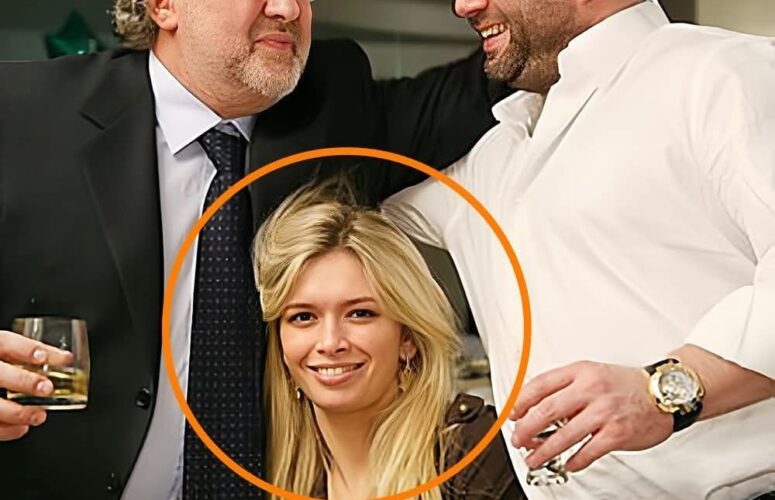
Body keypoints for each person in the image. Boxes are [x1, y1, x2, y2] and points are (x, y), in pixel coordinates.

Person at [0, 0, 500, 498]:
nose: (287, 9)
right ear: (163, 6)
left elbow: (493, 80)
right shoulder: (21, 114)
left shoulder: (334, 106)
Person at [383, 0, 775, 498]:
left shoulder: (722, 74)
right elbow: (337, 196)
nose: (465, 5)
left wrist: (663, 392)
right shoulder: (497, 151)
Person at [252, 180, 523, 499]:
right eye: (303, 317)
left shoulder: (473, 457)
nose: (330, 342)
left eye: (360, 313)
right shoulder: (270, 470)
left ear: (407, 337)